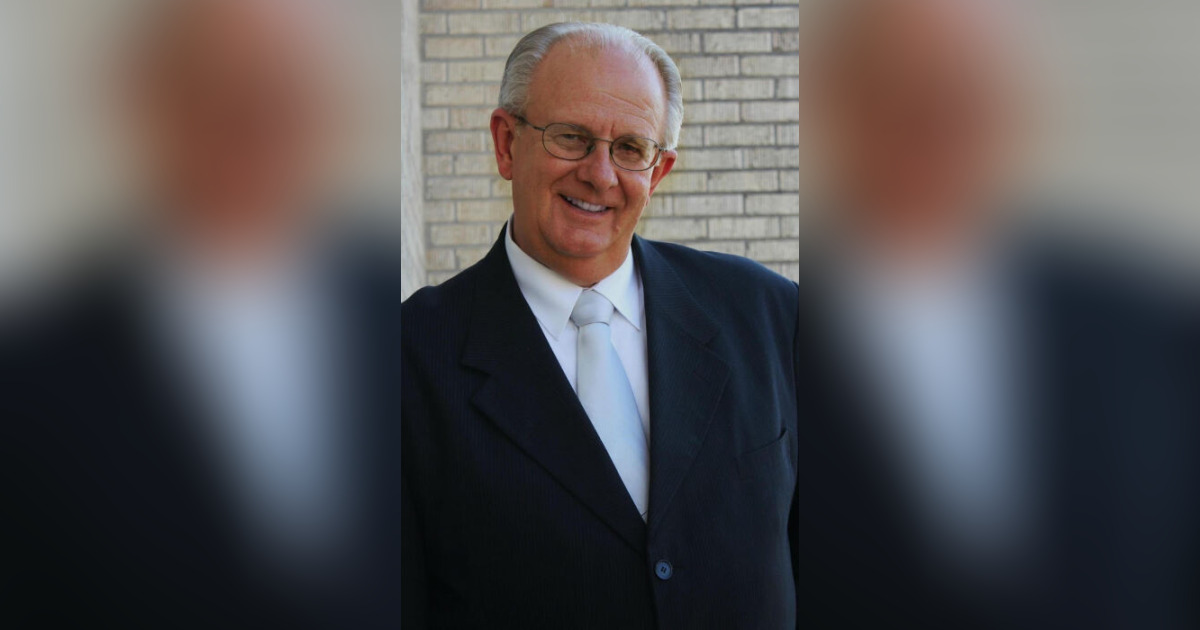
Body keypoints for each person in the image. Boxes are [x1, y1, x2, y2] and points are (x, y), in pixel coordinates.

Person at [793, 0, 1199, 627]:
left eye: (970, 91)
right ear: (836, 101)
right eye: (904, 90)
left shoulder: (1150, 328)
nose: (940, 122)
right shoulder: (763, 337)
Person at [1, 1, 403, 626]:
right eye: (218, 87)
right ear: (148, 102)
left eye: (284, 88)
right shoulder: (33, 377)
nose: (254, 120)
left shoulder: (407, 322)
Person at [400, 23, 800, 628]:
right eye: (571, 138)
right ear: (506, 144)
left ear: (658, 172)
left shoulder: (771, 317)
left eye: (631, 149)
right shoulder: (408, 357)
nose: (600, 174)